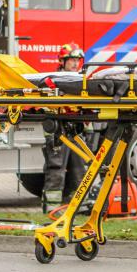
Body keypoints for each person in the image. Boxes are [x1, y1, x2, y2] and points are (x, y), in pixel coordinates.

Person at [42, 42, 88, 210]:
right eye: (72, 60)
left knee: (79, 169)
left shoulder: (81, 79)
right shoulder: (52, 80)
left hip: (76, 130)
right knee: (56, 168)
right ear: (62, 61)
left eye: (78, 60)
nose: (76, 63)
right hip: (57, 131)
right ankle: (52, 207)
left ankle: (79, 206)